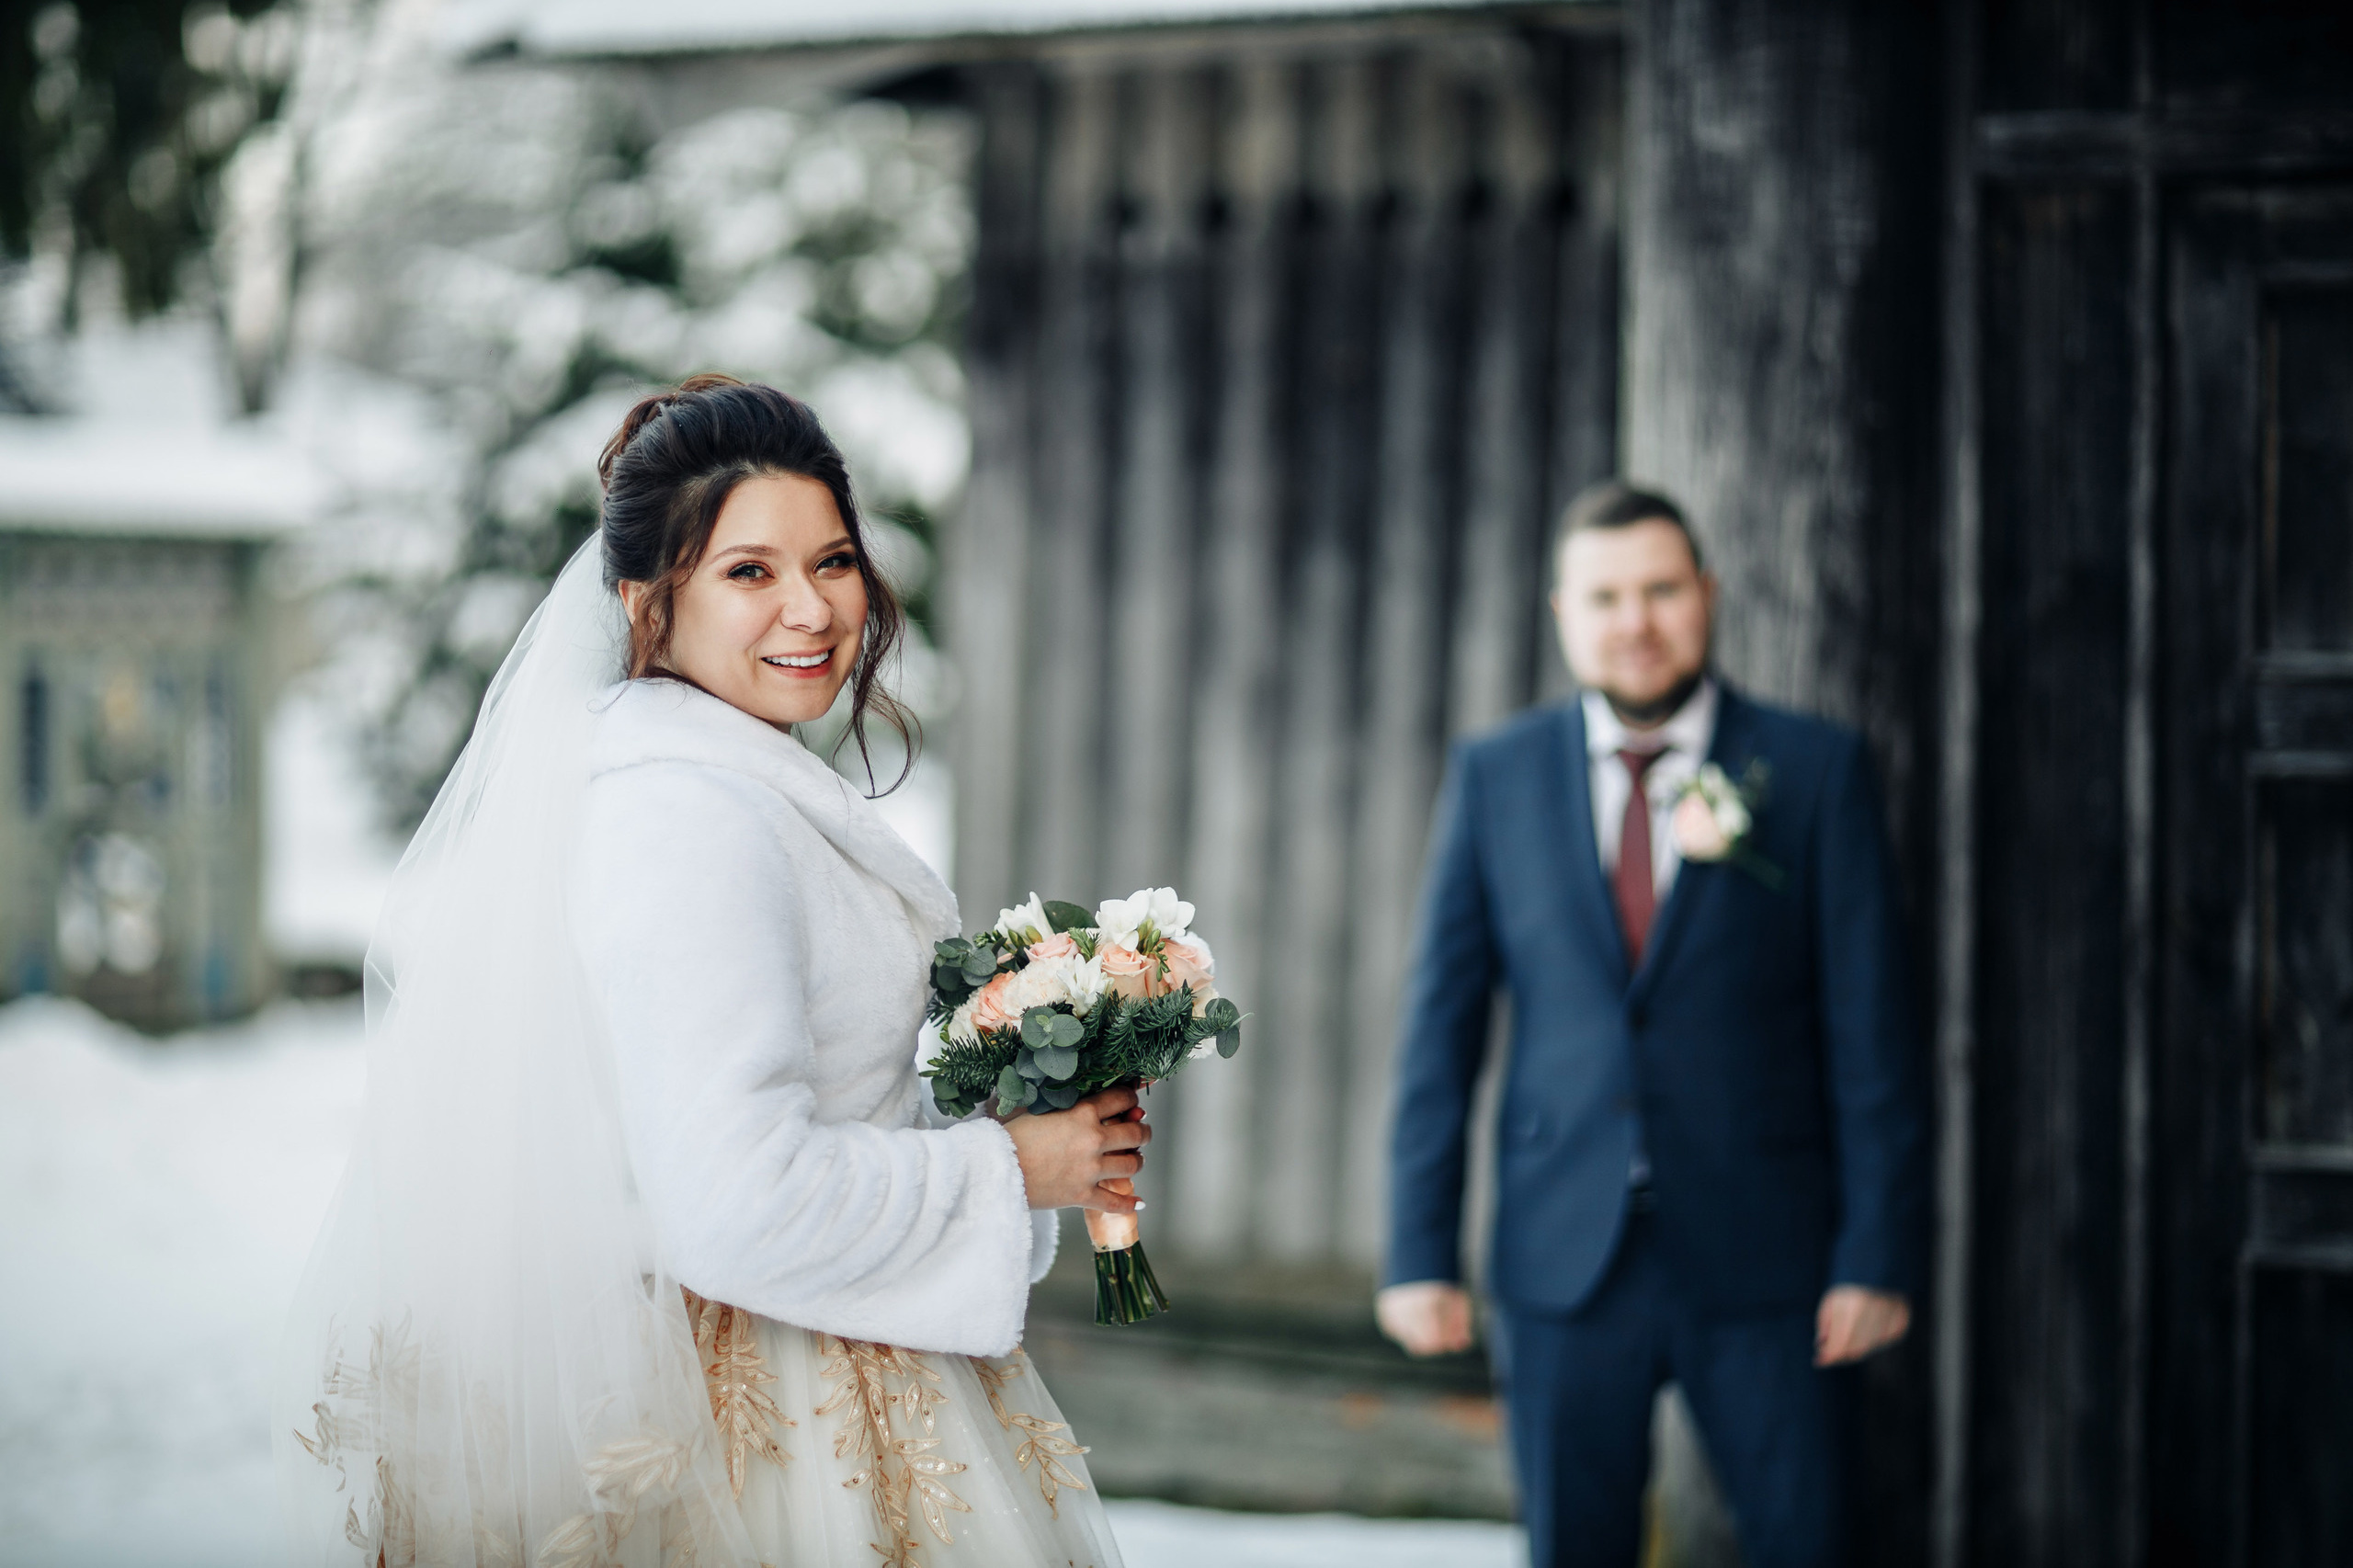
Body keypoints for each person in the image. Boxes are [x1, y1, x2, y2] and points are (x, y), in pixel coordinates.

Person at [278, 375, 1134, 1567]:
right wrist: (1009, 1168)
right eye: (750, 571)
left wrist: (1008, 1103)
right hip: (778, 1419)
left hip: (819, 1348)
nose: (812, 608)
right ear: (646, 598)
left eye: (833, 561)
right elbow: (737, 1202)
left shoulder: (724, 783)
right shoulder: (690, 817)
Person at [1375, 482, 1929, 1568]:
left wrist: (1876, 1255)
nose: (1636, 620)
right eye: (1607, 595)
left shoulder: (1815, 772)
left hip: (1772, 1262)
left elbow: (1875, 1035)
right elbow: (1438, 1034)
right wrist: (1417, 1252)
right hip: (1560, 1259)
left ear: (1706, 596)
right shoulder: (1495, 777)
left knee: (1807, 1541)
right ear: (1562, 613)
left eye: (1662, 589)